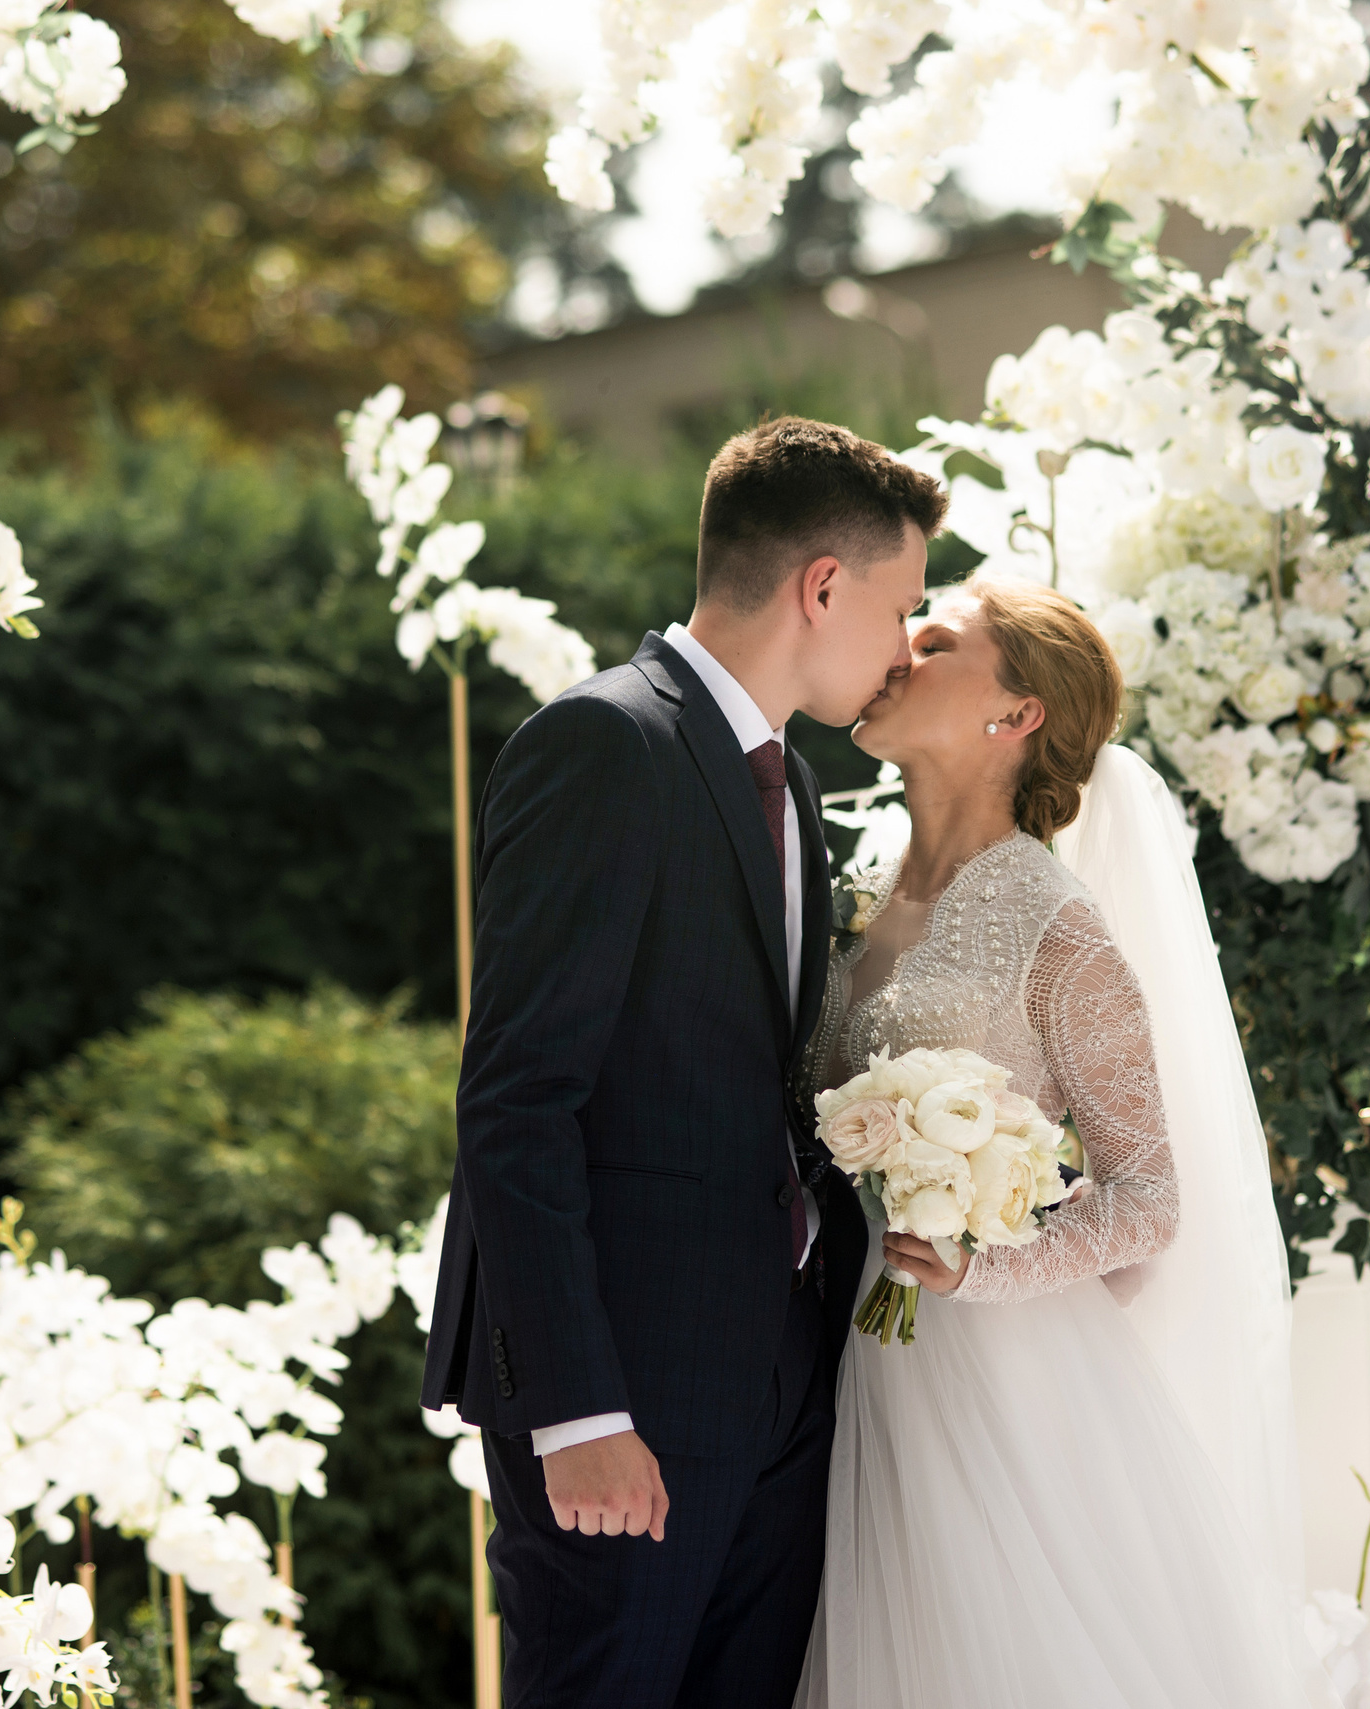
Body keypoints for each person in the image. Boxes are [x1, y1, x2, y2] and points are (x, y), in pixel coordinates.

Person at [419, 417, 946, 1709]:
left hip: (778, 1394)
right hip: (627, 1404)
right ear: (823, 585)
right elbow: (518, 1099)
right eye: (900, 607)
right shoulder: (606, 742)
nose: (899, 647)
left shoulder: (795, 793)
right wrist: (577, 1411)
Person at [791, 576, 1316, 1708]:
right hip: (843, 1355)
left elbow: (1148, 1195)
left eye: (932, 641)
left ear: (1014, 714)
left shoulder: (1054, 922)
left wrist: (987, 1263)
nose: (897, 650)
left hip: (994, 1377)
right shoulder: (852, 890)